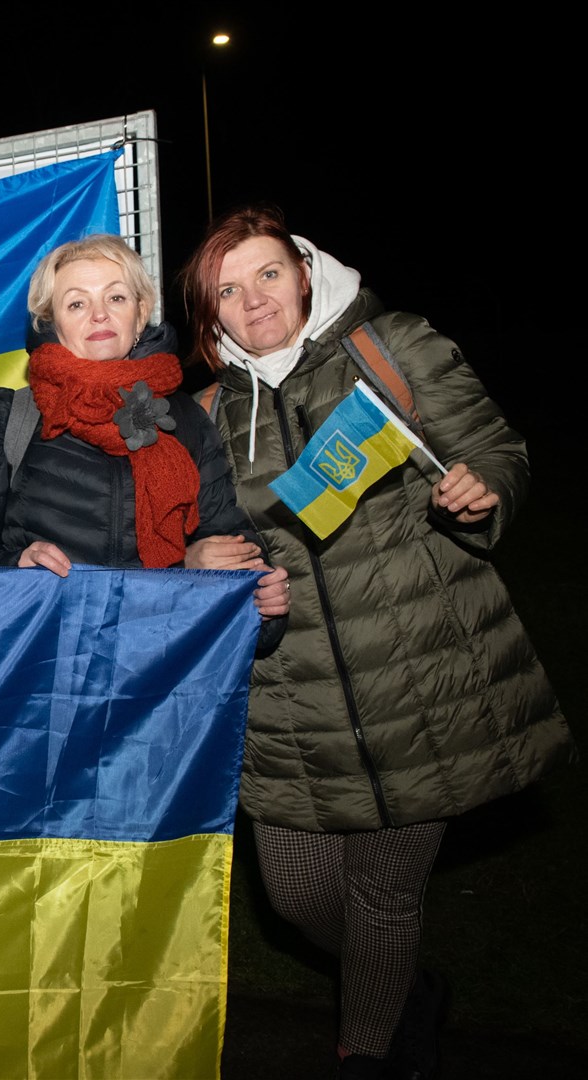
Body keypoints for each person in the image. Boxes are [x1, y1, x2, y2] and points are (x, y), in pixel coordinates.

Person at [180, 206, 573, 1078]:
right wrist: (196, 557)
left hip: (422, 680)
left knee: (387, 895)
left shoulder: (388, 347)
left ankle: (369, 1045)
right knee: (298, 896)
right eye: (228, 291)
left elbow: (498, 450)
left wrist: (484, 489)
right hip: (287, 703)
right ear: (211, 316)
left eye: (269, 275)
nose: (254, 302)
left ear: (307, 271)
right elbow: (178, 539)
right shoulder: (203, 414)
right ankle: (405, 992)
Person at [0, 234, 289, 629]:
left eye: (116, 298)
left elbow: (233, 549)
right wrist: (13, 566)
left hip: (155, 664)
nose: (99, 315)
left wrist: (261, 598)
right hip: (39, 659)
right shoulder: (10, 417)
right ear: (52, 323)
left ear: (140, 314)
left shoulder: (185, 417)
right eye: (77, 303)